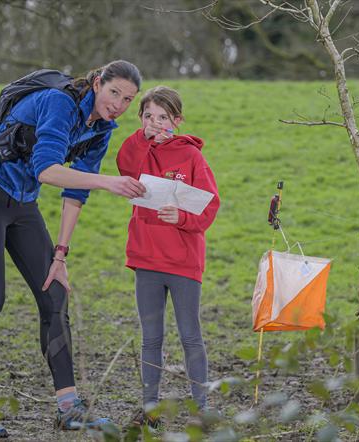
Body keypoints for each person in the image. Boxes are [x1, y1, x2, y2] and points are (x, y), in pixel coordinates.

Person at [0, 60, 146, 438]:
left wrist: (60, 254)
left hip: (23, 204)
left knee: (54, 293)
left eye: (128, 99)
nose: (119, 104)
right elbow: (47, 169)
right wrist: (110, 182)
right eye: (114, 93)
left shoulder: (101, 129)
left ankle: (69, 407)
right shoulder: (59, 103)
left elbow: (75, 194)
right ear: (97, 83)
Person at [116, 86, 220, 428]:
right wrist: (140, 138)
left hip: (183, 262)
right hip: (145, 259)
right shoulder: (139, 151)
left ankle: (201, 409)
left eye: (162, 117)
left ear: (177, 120)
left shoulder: (192, 157)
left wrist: (184, 218)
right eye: (148, 116)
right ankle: (149, 409)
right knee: (151, 338)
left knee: (191, 335)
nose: (155, 123)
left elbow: (209, 205)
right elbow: (124, 165)